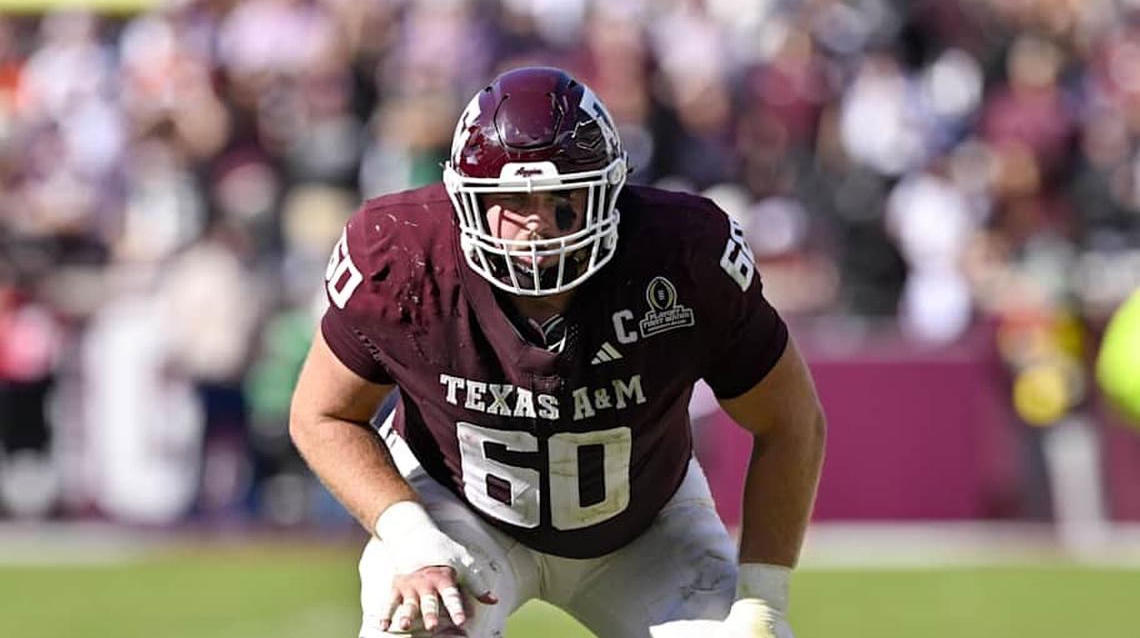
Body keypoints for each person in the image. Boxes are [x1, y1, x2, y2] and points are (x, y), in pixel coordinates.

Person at [289, 66, 826, 638]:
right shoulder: (404, 254)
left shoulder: (683, 255)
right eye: (511, 199)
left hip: (644, 529)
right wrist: (412, 538)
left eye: (561, 197)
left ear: (610, 192)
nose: (536, 224)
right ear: (464, 199)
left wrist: (764, 600)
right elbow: (321, 414)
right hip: (457, 513)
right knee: (420, 627)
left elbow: (792, 422)